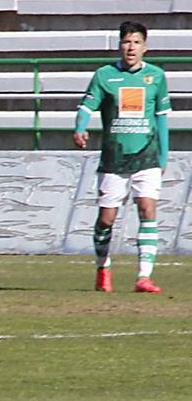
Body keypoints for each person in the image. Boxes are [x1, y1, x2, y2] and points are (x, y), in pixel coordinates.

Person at [74, 21, 170, 294]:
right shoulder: (105, 76)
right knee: (107, 218)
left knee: (147, 209)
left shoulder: (157, 77)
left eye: (136, 42)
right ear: (120, 45)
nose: (131, 47)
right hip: (114, 158)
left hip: (147, 157)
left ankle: (144, 276)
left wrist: (163, 157)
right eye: (126, 42)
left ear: (145, 47)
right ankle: (103, 266)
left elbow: (162, 120)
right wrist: (80, 128)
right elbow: (86, 106)